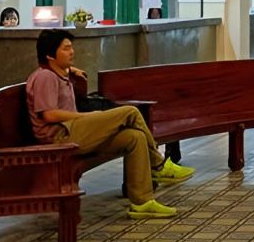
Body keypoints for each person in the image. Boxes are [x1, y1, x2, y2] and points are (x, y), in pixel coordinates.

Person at [26, 29, 193, 219]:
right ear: (50, 55)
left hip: (71, 131)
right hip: (60, 137)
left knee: (134, 137)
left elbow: (59, 71)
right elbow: (49, 115)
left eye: (71, 47)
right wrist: (83, 117)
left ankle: (142, 202)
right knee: (130, 112)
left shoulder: (56, 72)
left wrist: (71, 69)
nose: (72, 52)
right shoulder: (44, 77)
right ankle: (158, 164)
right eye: (66, 49)